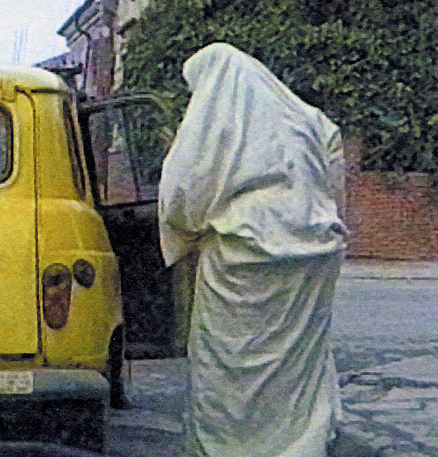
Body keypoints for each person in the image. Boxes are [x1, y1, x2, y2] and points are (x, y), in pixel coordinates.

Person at [158, 43, 347, 457]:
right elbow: (335, 183)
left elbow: (183, 195)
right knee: (296, 369)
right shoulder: (309, 118)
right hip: (313, 254)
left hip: (240, 255)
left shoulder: (214, 122)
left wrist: (185, 237)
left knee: (229, 369)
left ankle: (231, 448)